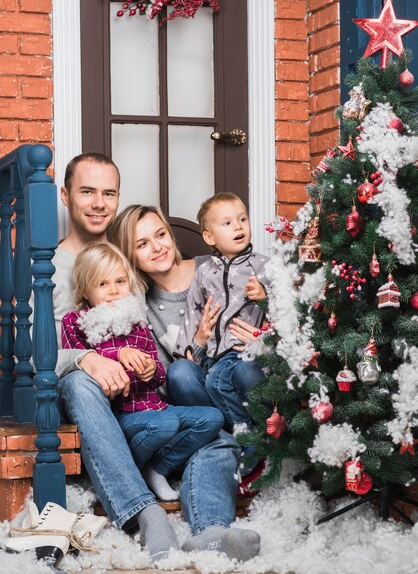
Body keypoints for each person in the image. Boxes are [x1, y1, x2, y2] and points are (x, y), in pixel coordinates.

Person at [54, 153, 261, 562]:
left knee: (215, 434)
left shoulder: (211, 269)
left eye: (108, 192)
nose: (98, 202)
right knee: (189, 389)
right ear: (65, 195)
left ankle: (211, 533)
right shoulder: (67, 276)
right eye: (87, 191)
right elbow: (40, 351)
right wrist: (86, 359)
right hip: (144, 400)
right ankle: (147, 514)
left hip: (202, 395)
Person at [61, 242, 224, 502]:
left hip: (156, 406)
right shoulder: (76, 322)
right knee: (166, 424)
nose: (114, 291)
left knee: (212, 418)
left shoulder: (138, 322)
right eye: (102, 284)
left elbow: (160, 375)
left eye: (120, 281)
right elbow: (78, 363)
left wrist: (151, 370)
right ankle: (129, 475)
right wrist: (118, 355)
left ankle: (157, 467)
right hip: (122, 414)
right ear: (85, 290)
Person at [172, 193, 269, 440]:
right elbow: (194, 310)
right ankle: (240, 436)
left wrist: (264, 294)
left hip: (243, 351)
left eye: (242, 219)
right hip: (212, 356)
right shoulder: (204, 272)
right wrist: (188, 349)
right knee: (200, 375)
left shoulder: (263, 267)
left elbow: (286, 307)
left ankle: (246, 437)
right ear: (209, 237)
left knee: (217, 380)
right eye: (227, 223)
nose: (238, 226)